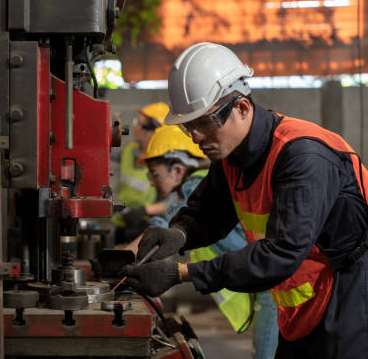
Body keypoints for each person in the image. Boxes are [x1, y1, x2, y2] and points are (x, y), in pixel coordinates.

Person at [122, 42, 368, 358]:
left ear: (241, 107)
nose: (196, 137)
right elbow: (208, 212)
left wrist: (183, 274)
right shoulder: (232, 157)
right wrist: (178, 234)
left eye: (204, 122)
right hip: (303, 308)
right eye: (188, 126)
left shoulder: (303, 157)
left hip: (350, 303)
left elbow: (280, 253)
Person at [127, 123, 279, 359]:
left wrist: (123, 261)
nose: (151, 182)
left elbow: (167, 224)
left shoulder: (194, 184)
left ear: (177, 170)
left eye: (154, 174)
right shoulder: (195, 182)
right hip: (262, 278)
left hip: (274, 284)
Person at [112, 103, 171, 242]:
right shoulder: (129, 150)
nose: (134, 127)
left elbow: (177, 200)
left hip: (148, 226)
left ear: (152, 131)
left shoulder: (167, 161)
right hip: (123, 222)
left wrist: (145, 210)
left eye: (138, 123)